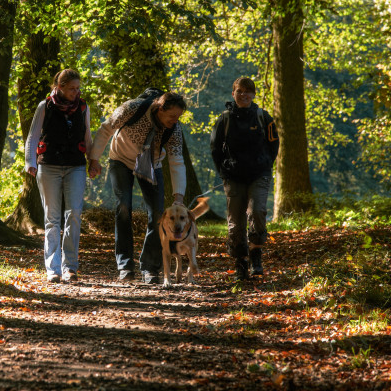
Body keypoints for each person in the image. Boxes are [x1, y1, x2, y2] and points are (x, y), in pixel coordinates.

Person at [88, 91, 188, 284]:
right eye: (172, 116)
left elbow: (177, 161)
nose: (175, 121)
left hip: (152, 165)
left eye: (178, 117)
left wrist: (179, 197)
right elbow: (106, 128)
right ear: (160, 109)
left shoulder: (174, 130)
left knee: (159, 214)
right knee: (124, 207)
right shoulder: (132, 108)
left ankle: (150, 268)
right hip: (121, 160)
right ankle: (125, 265)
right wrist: (94, 159)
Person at [25, 69, 93, 283]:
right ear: (60, 87)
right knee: (52, 219)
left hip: (76, 166)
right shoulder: (45, 106)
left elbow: (88, 136)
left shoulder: (82, 107)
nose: (76, 92)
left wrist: (95, 160)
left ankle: (70, 267)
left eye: (78, 88)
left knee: (73, 214)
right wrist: (30, 162)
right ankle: (53, 268)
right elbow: (33, 136)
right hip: (49, 166)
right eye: (72, 88)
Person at [210, 77, 279, 280]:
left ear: (253, 94)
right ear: (233, 94)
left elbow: (274, 145)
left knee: (257, 211)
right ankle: (241, 262)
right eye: (240, 91)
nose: (244, 95)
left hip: (259, 175)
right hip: (233, 177)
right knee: (236, 222)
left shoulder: (263, 117)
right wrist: (223, 171)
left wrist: (265, 164)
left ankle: (256, 252)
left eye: (248, 91)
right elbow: (215, 148)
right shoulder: (224, 119)